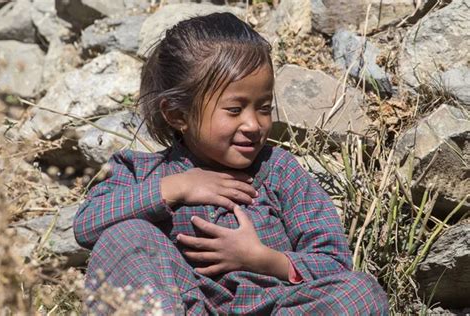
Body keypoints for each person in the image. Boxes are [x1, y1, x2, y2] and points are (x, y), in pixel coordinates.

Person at [74, 12, 389, 315]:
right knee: (126, 235)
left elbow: (333, 263)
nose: (253, 124)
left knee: (359, 290)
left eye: (264, 108)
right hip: (185, 307)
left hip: (277, 307)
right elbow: (88, 225)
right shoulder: (142, 172)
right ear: (177, 114)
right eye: (235, 109)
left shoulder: (279, 171)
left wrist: (263, 259)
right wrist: (176, 188)